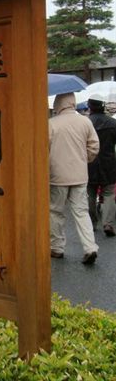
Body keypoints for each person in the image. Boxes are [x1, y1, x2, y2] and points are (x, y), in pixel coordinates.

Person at [49, 92, 100, 265]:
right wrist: (84, 160)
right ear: (72, 102)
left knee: (56, 212)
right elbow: (94, 146)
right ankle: (90, 247)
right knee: (81, 212)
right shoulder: (85, 121)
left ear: (58, 104)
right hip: (80, 174)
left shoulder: (51, 124)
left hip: (57, 176)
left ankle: (57, 248)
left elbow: (44, 149)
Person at [87, 96, 116, 237]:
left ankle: (92, 223)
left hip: (89, 163)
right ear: (103, 106)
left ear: (89, 106)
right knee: (109, 193)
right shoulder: (113, 123)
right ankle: (108, 223)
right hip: (109, 163)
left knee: (90, 193)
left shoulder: (86, 123)